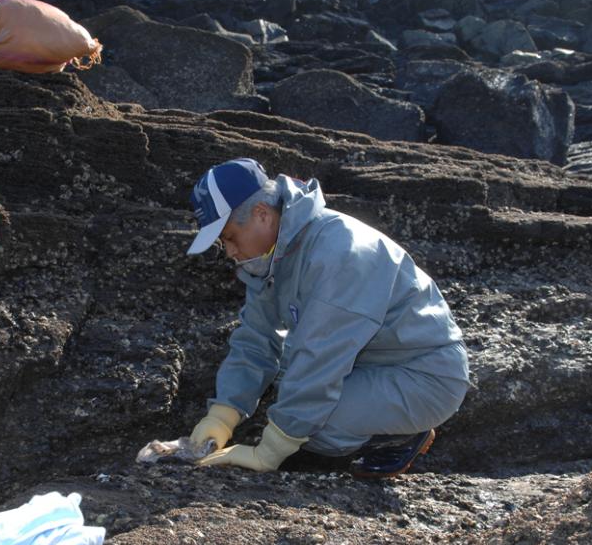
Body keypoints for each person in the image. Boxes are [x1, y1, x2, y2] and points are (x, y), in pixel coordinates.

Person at [186, 158, 469, 477]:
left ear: (262, 214)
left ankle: (398, 434)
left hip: (424, 376)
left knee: (312, 424)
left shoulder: (339, 253)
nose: (229, 251)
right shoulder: (270, 258)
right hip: (367, 364)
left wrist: (272, 451)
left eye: (229, 237)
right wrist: (223, 414)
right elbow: (256, 340)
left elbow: (319, 359)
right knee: (291, 394)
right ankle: (371, 417)